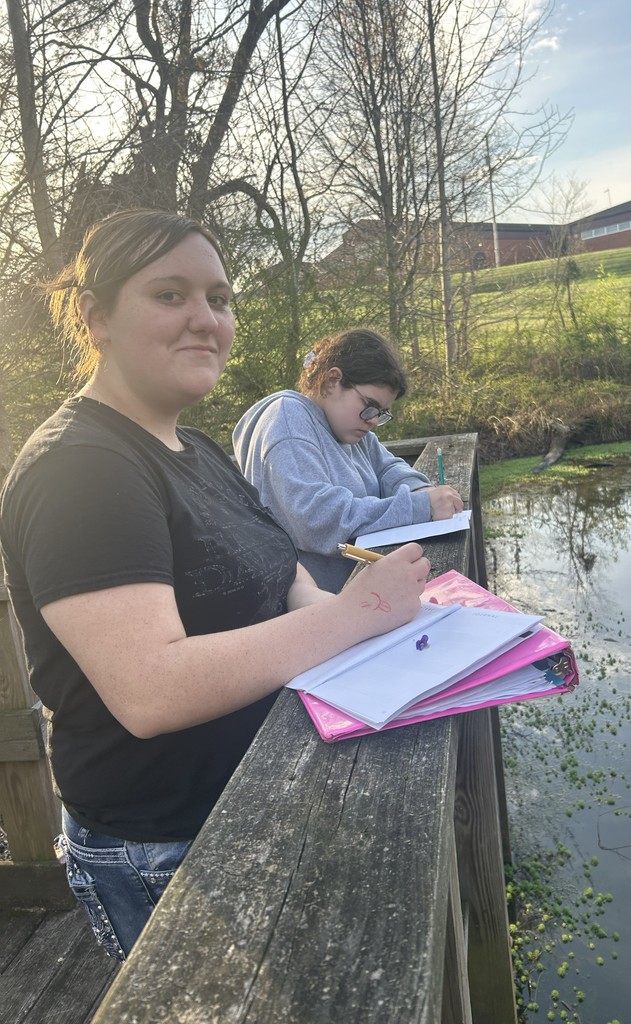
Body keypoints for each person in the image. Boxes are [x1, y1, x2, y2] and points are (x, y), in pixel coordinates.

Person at [0, 210, 430, 962]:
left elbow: (279, 562)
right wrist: (354, 618)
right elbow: (151, 689)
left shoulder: (194, 445)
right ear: (96, 316)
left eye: (220, 298)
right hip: (166, 844)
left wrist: (346, 618)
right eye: (170, 294)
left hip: (256, 789)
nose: (206, 319)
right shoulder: (81, 468)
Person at [233, 329, 463, 592]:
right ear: (333, 380)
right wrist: (419, 507)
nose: (374, 420)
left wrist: (418, 488)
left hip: (360, 596)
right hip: (320, 612)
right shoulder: (287, 422)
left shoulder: (349, 427)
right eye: (370, 405)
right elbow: (318, 520)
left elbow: (387, 467)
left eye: (382, 413)